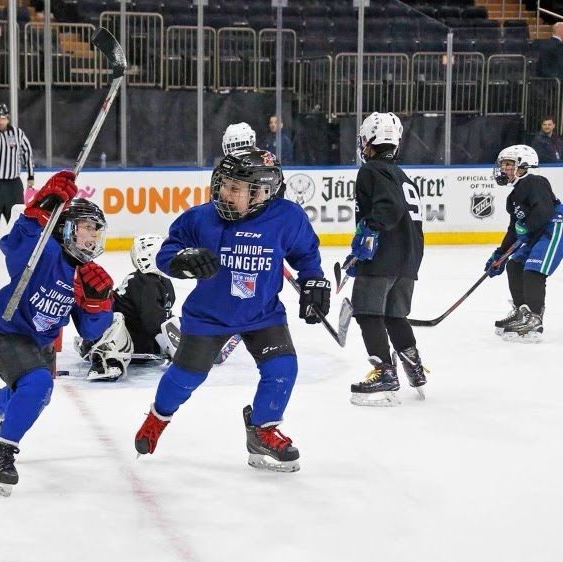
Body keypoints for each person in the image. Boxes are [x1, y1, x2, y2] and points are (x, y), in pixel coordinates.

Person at [133, 148, 330, 473]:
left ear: (262, 192)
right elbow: (167, 250)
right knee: (184, 379)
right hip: (209, 316)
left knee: (283, 370)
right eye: (223, 184)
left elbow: (305, 253)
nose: (224, 192)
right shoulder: (200, 217)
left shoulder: (287, 218)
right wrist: (181, 260)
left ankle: (263, 431)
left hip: (262, 313)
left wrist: (314, 281)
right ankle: (158, 417)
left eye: (235, 188)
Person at [0, 171, 114, 496]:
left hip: (39, 344)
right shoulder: (44, 253)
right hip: (7, 333)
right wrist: (40, 208)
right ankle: (3, 454)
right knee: (38, 383)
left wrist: (100, 303)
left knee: (36, 395)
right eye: (87, 229)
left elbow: (91, 332)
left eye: (96, 232)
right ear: (67, 228)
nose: (92, 238)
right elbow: (14, 243)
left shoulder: (82, 275)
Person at [344, 112, 426, 408]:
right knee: (394, 315)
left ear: (370, 139)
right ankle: (413, 366)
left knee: (367, 313)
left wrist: (365, 239)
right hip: (408, 258)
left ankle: (385, 373)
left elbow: (387, 209)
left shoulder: (371, 171)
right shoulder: (402, 175)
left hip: (383, 257)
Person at [485, 145, 563, 342]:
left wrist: (526, 227)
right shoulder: (513, 198)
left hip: (554, 227)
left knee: (533, 270)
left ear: (523, 166)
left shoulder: (535, 181)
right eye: (503, 165)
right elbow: (514, 229)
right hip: (537, 231)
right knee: (514, 265)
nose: (504, 169)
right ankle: (522, 312)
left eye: (509, 165)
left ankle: (535, 318)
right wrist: (500, 255)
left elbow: (544, 212)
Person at [74, 233, 176, 381]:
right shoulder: (145, 283)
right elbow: (152, 322)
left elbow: (161, 318)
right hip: (115, 338)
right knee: (117, 319)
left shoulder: (160, 282)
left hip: (137, 341)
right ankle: (105, 360)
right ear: (151, 257)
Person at [0, 103, 35, 263]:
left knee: (17, 217)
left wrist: (31, 176)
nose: (2, 121)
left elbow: (27, 154)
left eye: (4, 117)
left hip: (12, 184)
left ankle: (19, 248)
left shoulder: (17, 133)